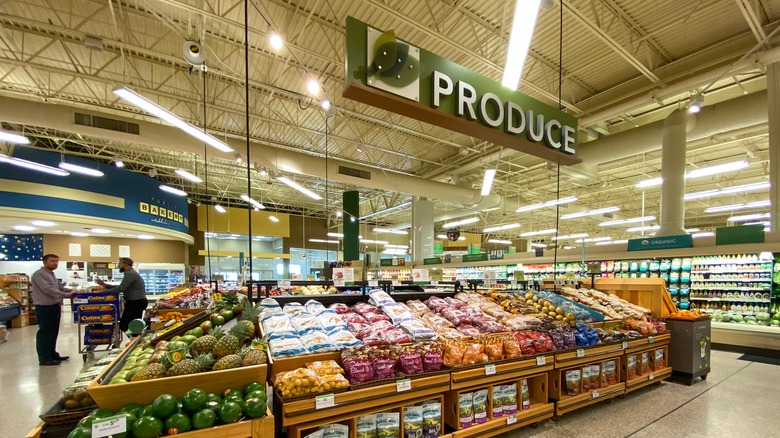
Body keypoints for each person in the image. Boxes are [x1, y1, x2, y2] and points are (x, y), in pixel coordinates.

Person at [30, 254, 73, 366]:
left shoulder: (51, 274)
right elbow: (48, 290)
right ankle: (44, 358)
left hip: (54, 306)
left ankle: (52, 354)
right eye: (52, 261)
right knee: (45, 332)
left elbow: (59, 287)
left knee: (53, 332)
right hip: (45, 307)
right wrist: (66, 295)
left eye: (57, 261)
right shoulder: (39, 274)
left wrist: (74, 291)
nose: (55, 263)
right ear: (45, 262)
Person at [96, 257, 147, 333]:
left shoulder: (130, 274)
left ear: (125, 264)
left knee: (126, 325)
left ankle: (134, 341)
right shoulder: (129, 273)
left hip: (136, 302)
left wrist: (104, 292)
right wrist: (105, 285)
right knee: (130, 325)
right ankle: (134, 340)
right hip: (134, 302)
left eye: (120, 264)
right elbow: (121, 287)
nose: (119, 266)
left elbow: (120, 289)